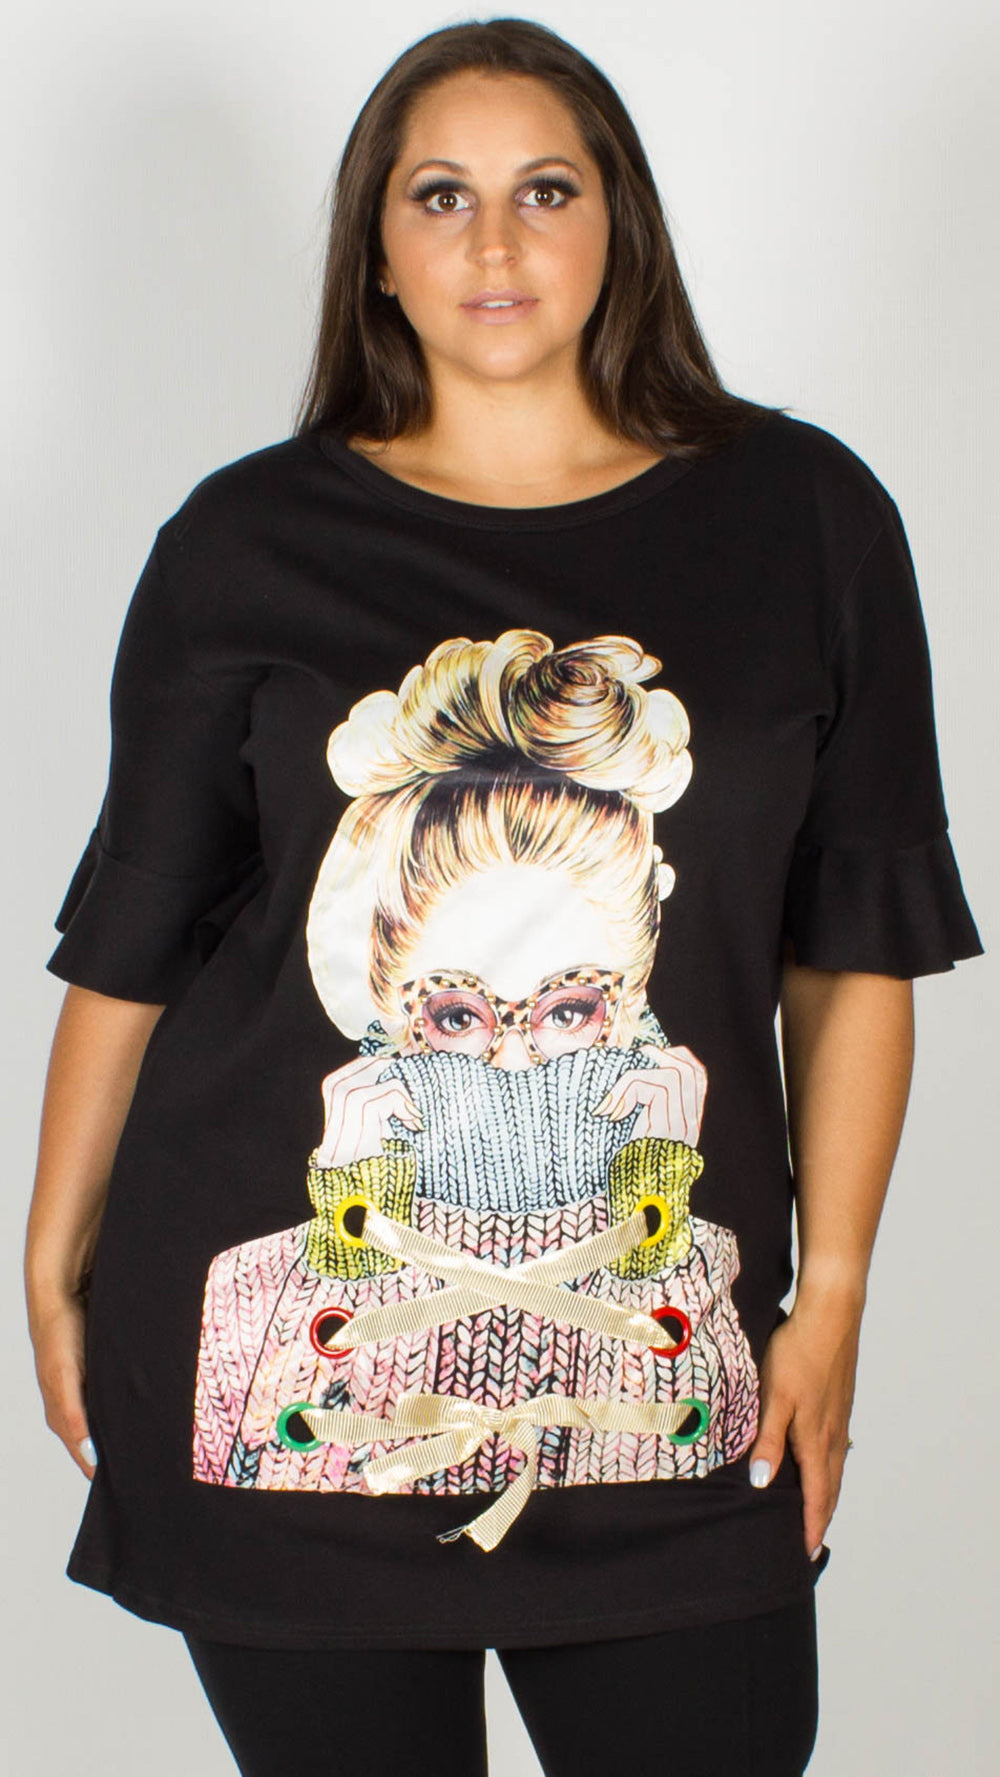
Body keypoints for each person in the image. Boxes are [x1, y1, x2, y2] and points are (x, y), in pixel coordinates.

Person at [24, 17, 984, 1777]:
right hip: (292, 1421)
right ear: (376, 251)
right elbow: (139, 931)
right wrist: (46, 1248)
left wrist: (832, 1291)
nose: (493, 242)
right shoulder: (242, 545)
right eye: (439, 195)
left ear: (619, 219)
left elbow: (854, 943)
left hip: (684, 1403)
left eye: (544, 190)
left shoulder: (808, 519)